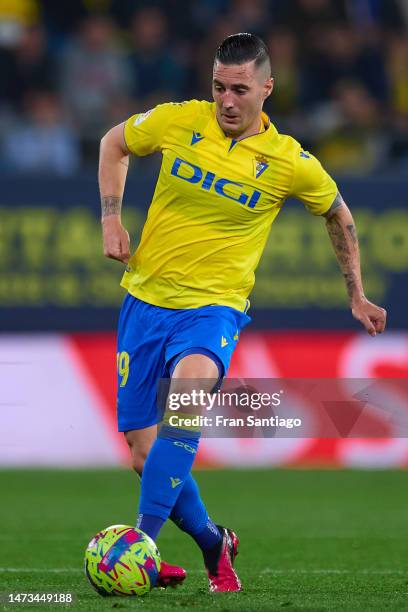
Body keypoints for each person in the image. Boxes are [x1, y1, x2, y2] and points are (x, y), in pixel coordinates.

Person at [98, 33, 387, 593]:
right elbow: (114, 144)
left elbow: (339, 215)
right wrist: (111, 219)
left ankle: (141, 545)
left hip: (214, 311)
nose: (227, 101)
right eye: (219, 87)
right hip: (145, 302)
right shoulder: (178, 121)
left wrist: (356, 292)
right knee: (141, 451)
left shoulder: (289, 161)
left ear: (267, 89)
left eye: (240, 90)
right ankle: (213, 541)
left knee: (186, 401)